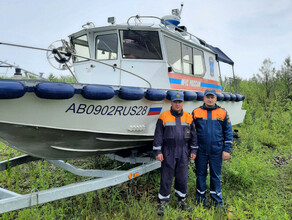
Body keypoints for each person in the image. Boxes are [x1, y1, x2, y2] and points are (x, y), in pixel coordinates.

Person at [153, 91, 198, 216]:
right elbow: (158, 136)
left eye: (179, 102)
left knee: (182, 177)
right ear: (171, 103)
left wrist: (193, 150)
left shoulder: (189, 117)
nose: (177, 104)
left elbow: (194, 136)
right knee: (166, 178)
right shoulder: (163, 117)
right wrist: (158, 151)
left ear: (183, 103)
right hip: (168, 151)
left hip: (184, 151)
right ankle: (163, 202)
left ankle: (182, 200)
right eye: (175, 102)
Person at [192, 89, 233, 208]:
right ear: (204, 98)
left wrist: (227, 149)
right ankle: (200, 201)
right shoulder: (196, 112)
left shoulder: (223, 112)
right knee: (200, 175)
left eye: (212, 97)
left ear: (216, 98)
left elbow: (228, 132)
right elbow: (191, 133)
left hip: (217, 150)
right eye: (208, 97)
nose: (210, 99)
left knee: (216, 176)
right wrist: (192, 149)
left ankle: (217, 202)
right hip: (201, 151)